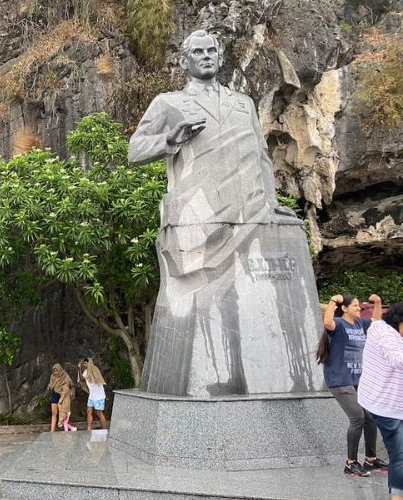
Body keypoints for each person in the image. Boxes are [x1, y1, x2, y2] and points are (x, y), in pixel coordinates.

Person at [128, 29, 321, 398]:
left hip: (248, 209)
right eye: (197, 52)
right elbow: (135, 150)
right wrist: (171, 141)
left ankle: (257, 376)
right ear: (184, 61)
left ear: (220, 57)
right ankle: (219, 376)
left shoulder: (242, 103)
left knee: (243, 301)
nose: (206, 57)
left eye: (211, 51)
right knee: (209, 301)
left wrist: (270, 199)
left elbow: (260, 155)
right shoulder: (169, 103)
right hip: (198, 214)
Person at [318, 293, 385, 477]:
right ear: (345, 308)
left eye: (359, 306)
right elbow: (327, 322)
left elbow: (376, 321)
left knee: (370, 417)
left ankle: (370, 459)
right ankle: (350, 463)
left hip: (357, 381)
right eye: (355, 306)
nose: (358, 308)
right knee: (357, 417)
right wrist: (333, 301)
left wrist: (377, 303)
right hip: (340, 381)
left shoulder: (359, 324)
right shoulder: (338, 324)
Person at [358, 301, 403, 500]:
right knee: (400, 455)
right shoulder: (387, 336)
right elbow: (397, 359)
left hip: (380, 399)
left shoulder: (377, 326)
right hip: (387, 406)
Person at [78, 358, 108, 431]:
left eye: (86, 363)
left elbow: (97, 377)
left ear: (90, 363)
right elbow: (82, 379)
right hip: (91, 396)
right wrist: (79, 369)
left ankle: (104, 429)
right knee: (88, 411)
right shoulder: (85, 372)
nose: (85, 365)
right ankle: (89, 428)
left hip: (99, 396)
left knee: (99, 412)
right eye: (84, 363)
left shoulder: (95, 369)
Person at [47, 363, 71, 432]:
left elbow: (70, 383)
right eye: (54, 371)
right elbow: (51, 387)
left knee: (64, 412)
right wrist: (55, 381)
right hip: (55, 394)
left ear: (60, 370)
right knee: (54, 412)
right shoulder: (52, 376)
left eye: (57, 371)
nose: (55, 372)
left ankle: (66, 429)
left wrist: (66, 387)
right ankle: (52, 430)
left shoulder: (65, 375)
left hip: (63, 395)